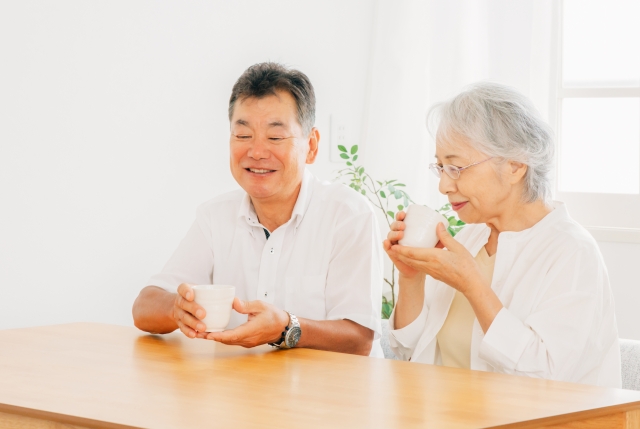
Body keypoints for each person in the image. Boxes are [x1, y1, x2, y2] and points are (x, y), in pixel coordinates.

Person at [133, 62, 383, 357]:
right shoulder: (215, 217)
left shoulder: (349, 215)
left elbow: (359, 339)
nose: (256, 152)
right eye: (243, 135)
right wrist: (177, 309)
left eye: (275, 137)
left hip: (327, 395)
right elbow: (144, 307)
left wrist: (286, 328)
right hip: (241, 390)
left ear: (311, 145)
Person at [384, 82, 620, 386]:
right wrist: (410, 277)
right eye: (440, 167)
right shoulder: (470, 238)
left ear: (515, 166)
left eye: (455, 168)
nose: (443, 185)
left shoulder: (572, 252)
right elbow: (410, 351)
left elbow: (545, 378)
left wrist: (472, 285)